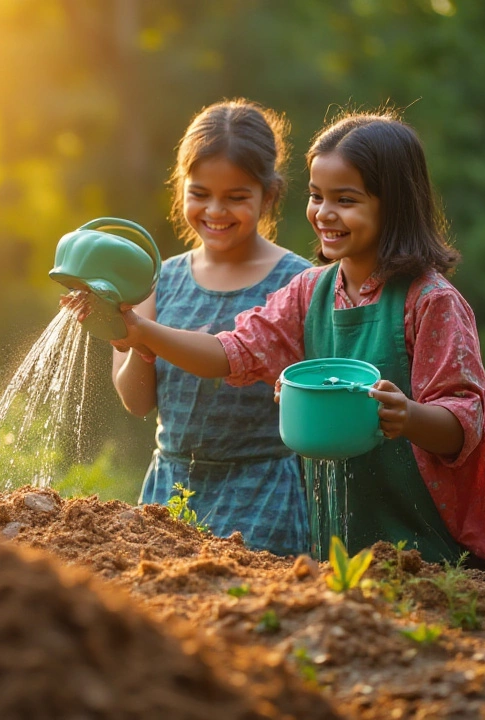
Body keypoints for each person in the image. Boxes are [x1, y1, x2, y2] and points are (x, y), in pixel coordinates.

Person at [95, 111, 485, 569]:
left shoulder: (430, 302)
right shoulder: (310, 291)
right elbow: (231, 352)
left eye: (346, 200)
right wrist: (141, 332)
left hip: (427, 544)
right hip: (340, 536)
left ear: (394, 205)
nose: (324, 213)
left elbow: (465, 422)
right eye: (316, 196)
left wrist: (407, 415)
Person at [102, 99, 314, 556]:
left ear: (269, 194)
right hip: (169, 491)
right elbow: (137, 402)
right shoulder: (154, 279)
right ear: (180, 188)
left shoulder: (299, 283)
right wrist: (129, 336)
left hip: (263, 495)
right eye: (200, 193)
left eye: (237, 197)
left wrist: (143, 331)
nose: (216, 210)